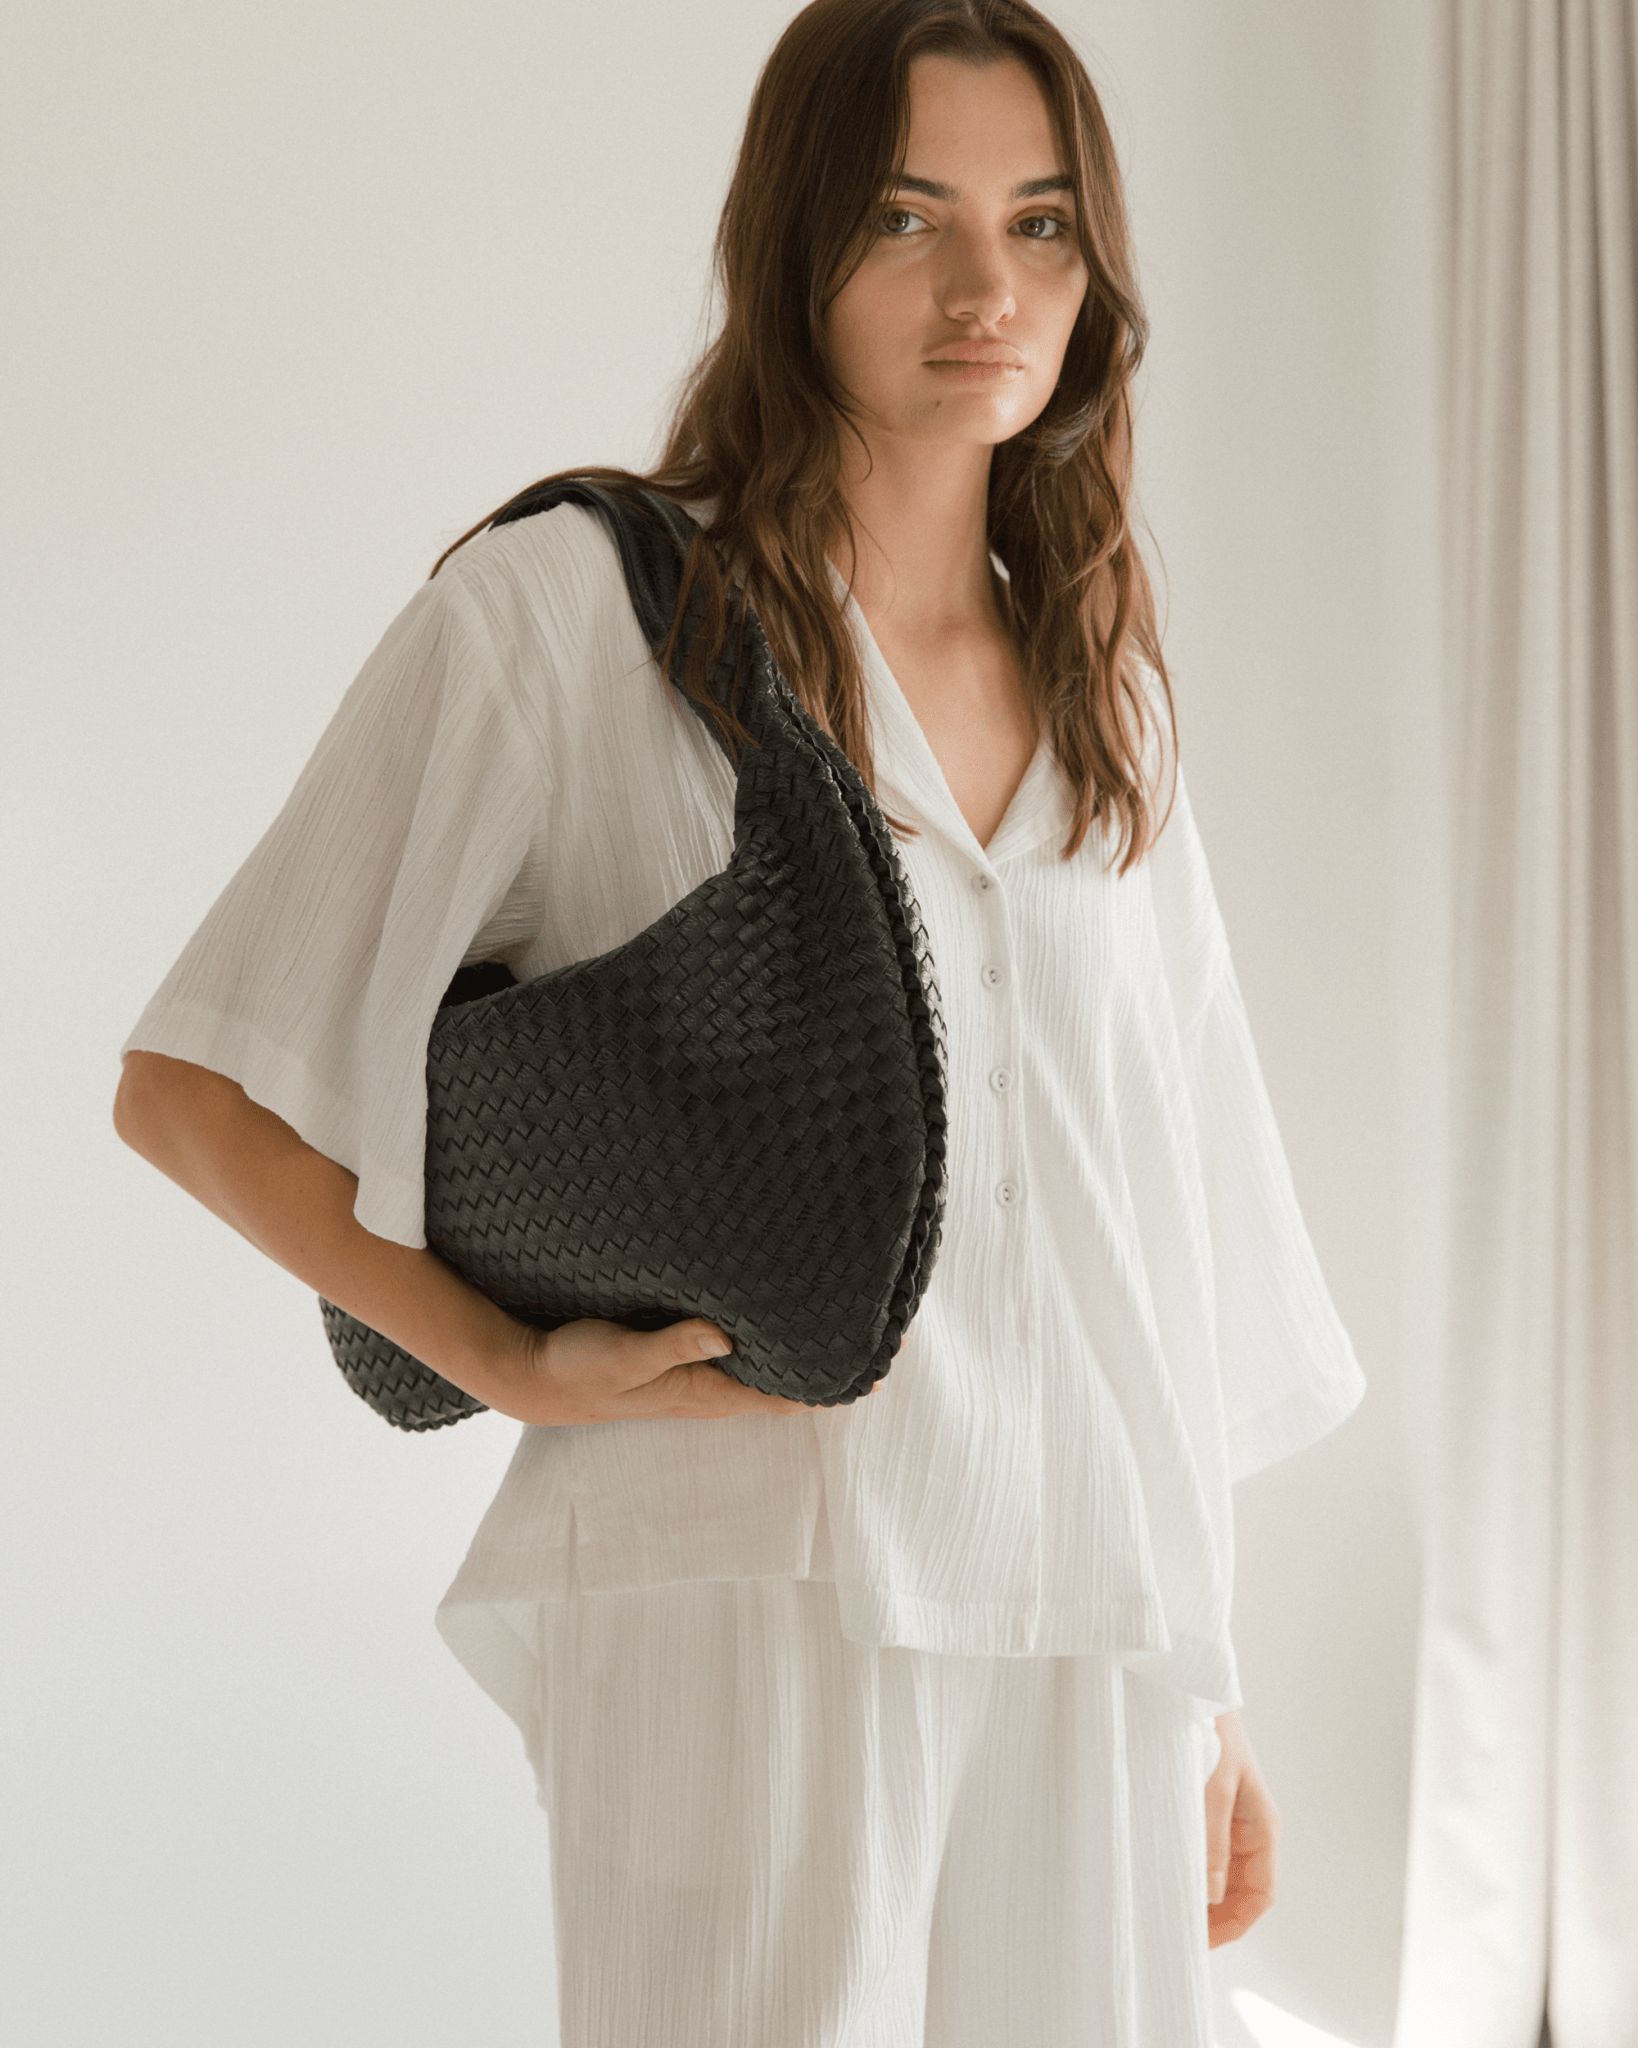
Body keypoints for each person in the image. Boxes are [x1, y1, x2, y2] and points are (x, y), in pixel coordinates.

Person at [112, 2, 1365, 2042]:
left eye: (1042, 223)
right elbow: (192, 1082)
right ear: (794, 249)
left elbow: (1171, 1215)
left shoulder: (1105, 685)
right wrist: (506, 1355)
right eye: (907, 217)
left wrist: (1205, 1685)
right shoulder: (582, 616)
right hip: (756, 1588)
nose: (989, 287)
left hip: (1086, 1624)